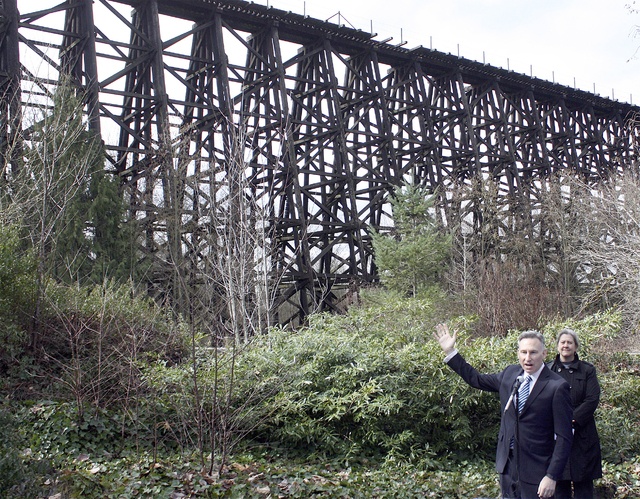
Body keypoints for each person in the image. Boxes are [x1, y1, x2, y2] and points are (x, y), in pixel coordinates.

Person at [433, 324, 573, 499]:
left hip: (538, 471)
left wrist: (552, 476)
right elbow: (476, 379)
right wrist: (451, 352)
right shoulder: (510, 375)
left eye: (533, 352)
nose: (527, 358)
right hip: (507, 467)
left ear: (544, 354)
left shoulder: (557, 386)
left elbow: (564, 437)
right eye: (523, 352)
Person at [548, 328, 602, 499]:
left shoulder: (587, 370)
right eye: (563, 342)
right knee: (559, 484)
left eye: (569, 342)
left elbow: (592, 399)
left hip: (583, 435)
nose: (566, 345)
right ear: (557, 346)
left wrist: (572, 419)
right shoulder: (547, 370)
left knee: (584, 485)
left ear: (576, 346)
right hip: (556, 435)